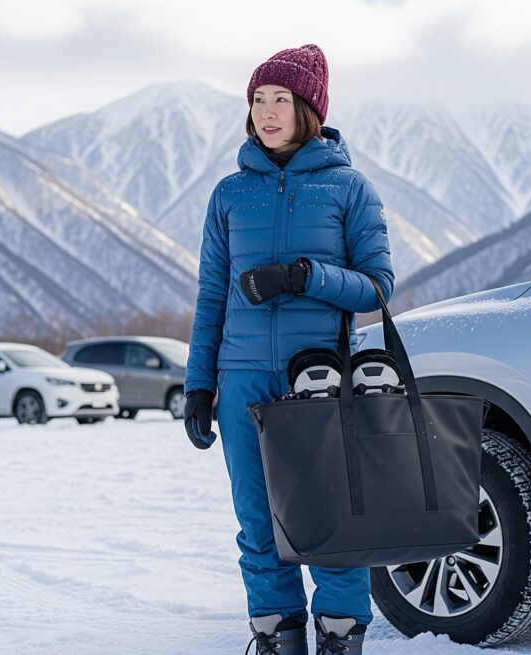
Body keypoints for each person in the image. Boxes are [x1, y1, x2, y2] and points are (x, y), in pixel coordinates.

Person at [182, 44, 394, 655]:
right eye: (257, 100)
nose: (267, 112)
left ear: (309, 109)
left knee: (329, 520)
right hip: (241, 378)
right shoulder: (228, 195)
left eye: (280, 100)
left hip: (319, 379)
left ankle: (339, 637)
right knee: (257, 525)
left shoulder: (349, 189)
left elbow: (378, 289)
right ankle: (276, 636)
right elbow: (210, 298)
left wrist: (306, 276)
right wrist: (200, 386)